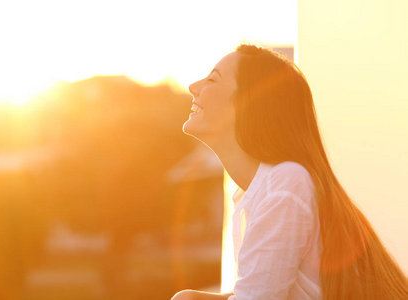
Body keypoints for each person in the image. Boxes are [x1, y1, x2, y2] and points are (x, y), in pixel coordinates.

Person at [171, 44, 408, 300]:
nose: (193, 86)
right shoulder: (258, 192)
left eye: (212, 80)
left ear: (248, 103)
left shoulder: (285, 185)